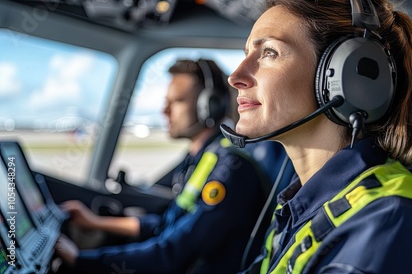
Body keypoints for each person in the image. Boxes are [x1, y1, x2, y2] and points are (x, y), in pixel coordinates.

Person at [221, 0, 412, 273]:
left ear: (349, 74)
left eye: (269, 52)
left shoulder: (387, 228)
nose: (235, 76)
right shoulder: (302, 204)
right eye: (246, 54)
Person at [55, 59, 270, 274]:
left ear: (209, 106)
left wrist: (80, 260)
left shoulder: (230, 169)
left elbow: (170, 254)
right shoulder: (198, 160)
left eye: (177, 101)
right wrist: (95, 223)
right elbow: (167, 226)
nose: (164, 111)